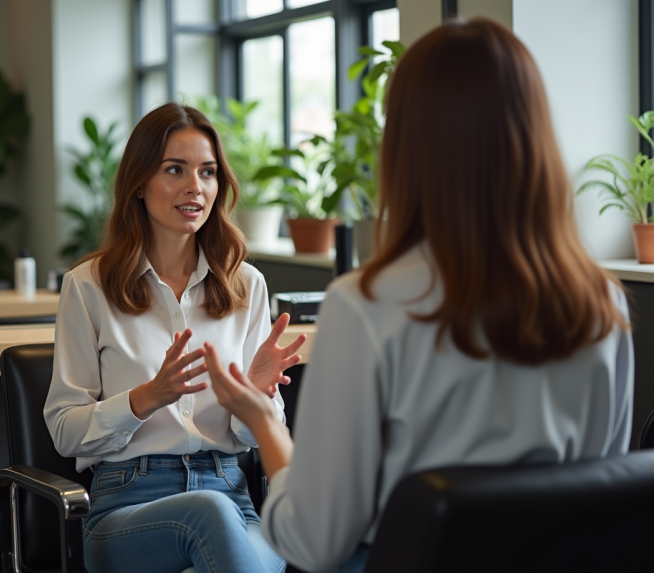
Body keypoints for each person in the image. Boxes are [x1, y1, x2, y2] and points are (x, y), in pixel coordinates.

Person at [204, 18, 634, 573]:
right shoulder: (603, 304)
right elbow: (600, 500)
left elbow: (314, 543)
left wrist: (263, 420)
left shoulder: (366, 305)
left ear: (406, 145)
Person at [44, 102, 306, 573]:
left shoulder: (246, 285)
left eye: (207, 173)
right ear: (139, 185)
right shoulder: (88, 286)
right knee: (213, 519)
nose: (195, 187)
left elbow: (256, 439)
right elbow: (65, 431)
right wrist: (147, 397)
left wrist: (257, 396)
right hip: (126, 503)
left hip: (232, 495)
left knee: (242, 531)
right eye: (175, 170)